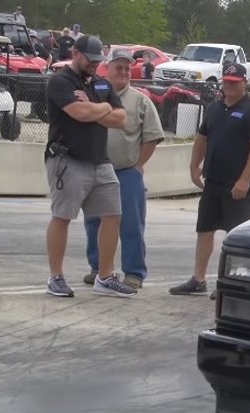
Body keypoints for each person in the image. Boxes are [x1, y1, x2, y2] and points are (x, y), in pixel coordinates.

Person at [44, 35, 133, 298]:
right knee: (63, 217)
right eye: (91, 60)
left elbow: (120, 119)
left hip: (100, 160)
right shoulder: (61, 82)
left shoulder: (102, 85)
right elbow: (78, 114)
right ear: (77, 54)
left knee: (113, 214)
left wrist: (96, 106)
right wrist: (101, 109)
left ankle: (105, 276)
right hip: (68, 157)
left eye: (98, 60)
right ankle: (56, 276)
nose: (95, 64)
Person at [169, 63, 250, 297]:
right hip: (213, 181)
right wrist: (195, 167)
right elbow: (201, 138)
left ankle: (231, 282)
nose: (229, 86)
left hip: (239, 185)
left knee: (234, 235)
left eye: (234, 82)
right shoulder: (214, 108)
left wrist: (244, 180)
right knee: (204, 229)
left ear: (244, 82)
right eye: (226, 81)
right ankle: (198, 279)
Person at [82, 48, 165, 290]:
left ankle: (134, 272)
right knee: (94, 222)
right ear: (106, 69)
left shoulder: (140, 100)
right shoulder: (94, 95)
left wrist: (139, 165)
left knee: (131, 223)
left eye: (128, 68)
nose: (124, 72)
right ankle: (98, 268)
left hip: (126, 171)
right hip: (96, 169)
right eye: (119, 67)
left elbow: (152, 137)